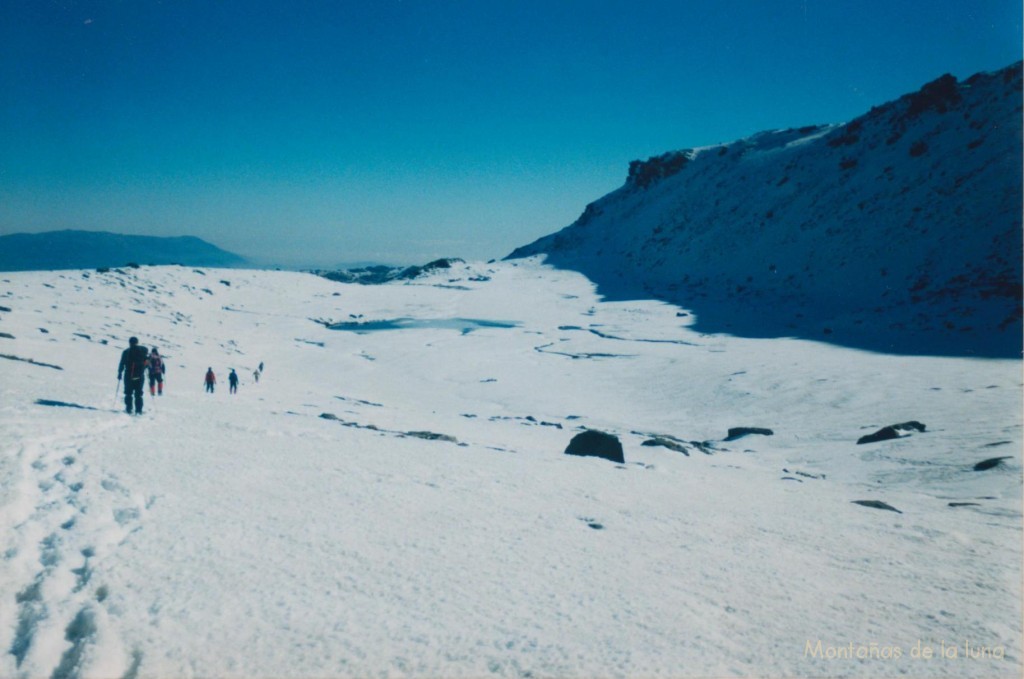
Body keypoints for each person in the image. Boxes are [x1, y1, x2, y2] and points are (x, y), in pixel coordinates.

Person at [118, 337, 149, 415]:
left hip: (128, 375)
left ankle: (129, 409)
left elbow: (122, 363)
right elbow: (147, 363)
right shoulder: (143, 352)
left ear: (129, 342)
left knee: (128, 393)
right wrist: (143, 368)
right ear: (137, 342)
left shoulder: (126, 352)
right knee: (138, 394)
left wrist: (119, 373)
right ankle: (139, 410)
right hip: (140, 376)